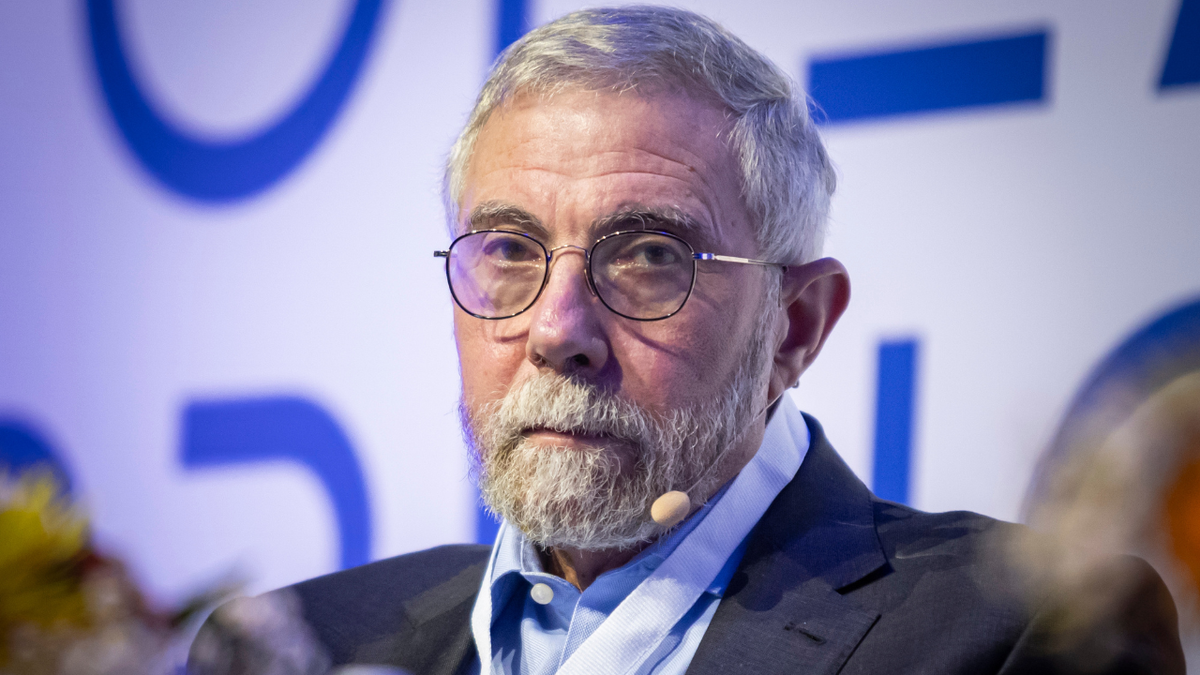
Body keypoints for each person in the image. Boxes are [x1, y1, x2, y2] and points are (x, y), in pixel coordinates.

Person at [190, 6, 1185, 674]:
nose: (558, 330)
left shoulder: (1018, 638)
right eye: (510, 250)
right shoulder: (298, 643)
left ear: (795, 326)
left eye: (650, 256)